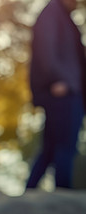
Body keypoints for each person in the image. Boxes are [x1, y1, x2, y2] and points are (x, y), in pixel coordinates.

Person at [27, 0, 86, 189]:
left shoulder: (65, 16)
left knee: (51, 150)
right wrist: (57, 80)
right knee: (65, 148)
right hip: (63, 92)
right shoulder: (52, 13)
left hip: (70, 91)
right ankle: (62, 196)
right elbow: (45, 49)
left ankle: (28, 193)